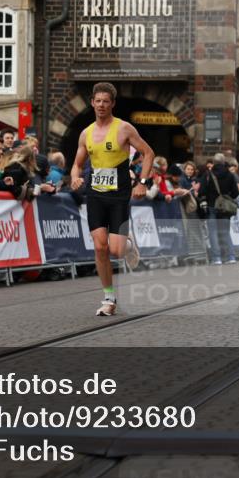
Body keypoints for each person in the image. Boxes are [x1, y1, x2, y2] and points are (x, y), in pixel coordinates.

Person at [70, 82, 154, 317]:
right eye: (98, 101)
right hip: (95, 194)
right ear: (92, 103)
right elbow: (76, 164)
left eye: (106, 101)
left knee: (116, 250)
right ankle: (109, 297)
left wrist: (142, 183)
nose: (101, 105)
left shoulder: (124, 128)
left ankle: (129, 245)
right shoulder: (86, 133)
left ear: (112, 104)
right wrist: (75, 178)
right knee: (100, 246)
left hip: (119, 195)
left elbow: (148, 153)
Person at [201, 152, 239, 265]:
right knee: (225, 232)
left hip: (212, 205)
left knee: (213, 232)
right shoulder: (230, 175)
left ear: (213, 162)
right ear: (224, 162)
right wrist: (226, 198)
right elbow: (235, 193)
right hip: (225, 208)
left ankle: (216, 258)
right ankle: (230, 256)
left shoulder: (208, 174)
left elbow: (202, 191)